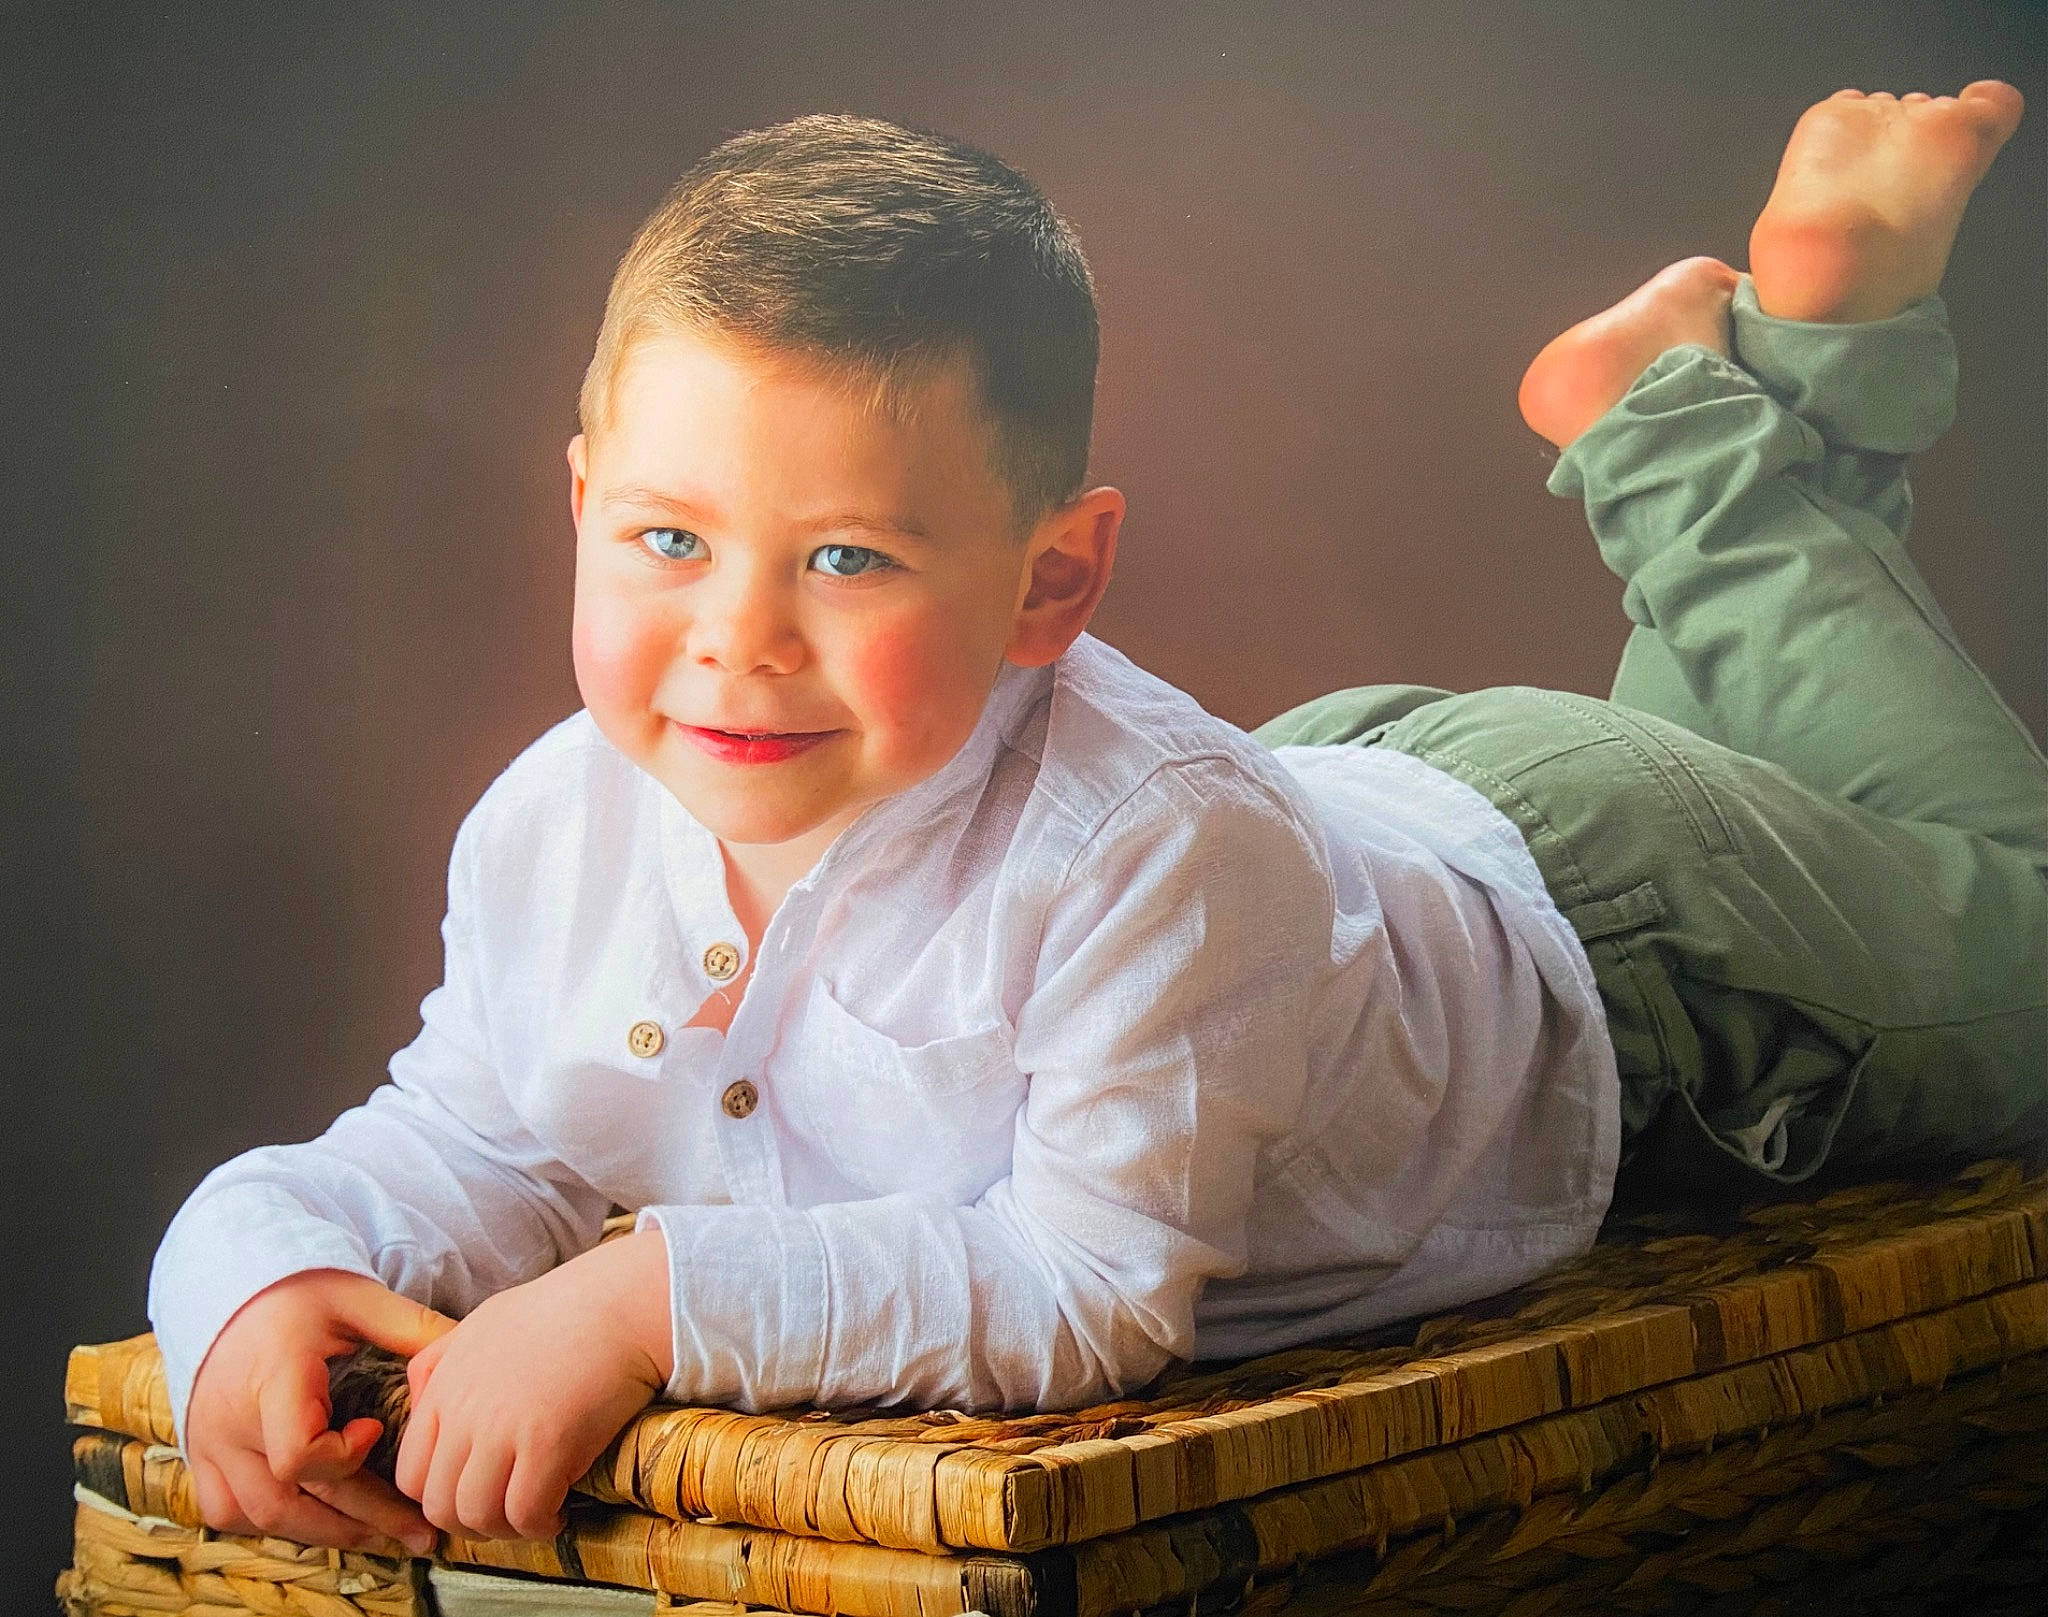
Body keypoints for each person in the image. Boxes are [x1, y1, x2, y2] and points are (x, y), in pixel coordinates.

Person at [147, 81, 2042, 1564]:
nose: (738, 638)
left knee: (2024, 943)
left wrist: (647, 1298)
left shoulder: (1151, 851)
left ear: (1051, 582)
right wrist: (252, 1273)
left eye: (845, 557)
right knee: (1814, 794)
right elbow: (468, 1140)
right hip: (1321, 849)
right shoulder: (549, 829)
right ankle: (1779, 368)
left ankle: (1675, 438)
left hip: (1620, 941)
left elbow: (1088, 1286)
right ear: (581, 504)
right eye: (667, 537)